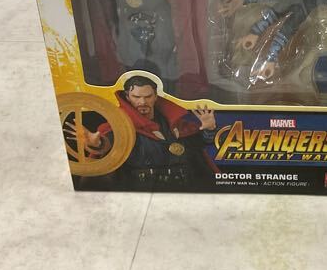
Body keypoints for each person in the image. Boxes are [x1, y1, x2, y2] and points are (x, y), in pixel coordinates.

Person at [64, 75, 218, 190]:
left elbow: (195, 146)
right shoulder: (120, 124)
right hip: (141, 189)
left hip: (183, 187)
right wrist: (98, 144)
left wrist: (209, 129)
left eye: (147, 96)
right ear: (127, 97)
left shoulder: (173, 123)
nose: (142, 102)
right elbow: (110, 143)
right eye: (136, 97)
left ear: (155, 96)